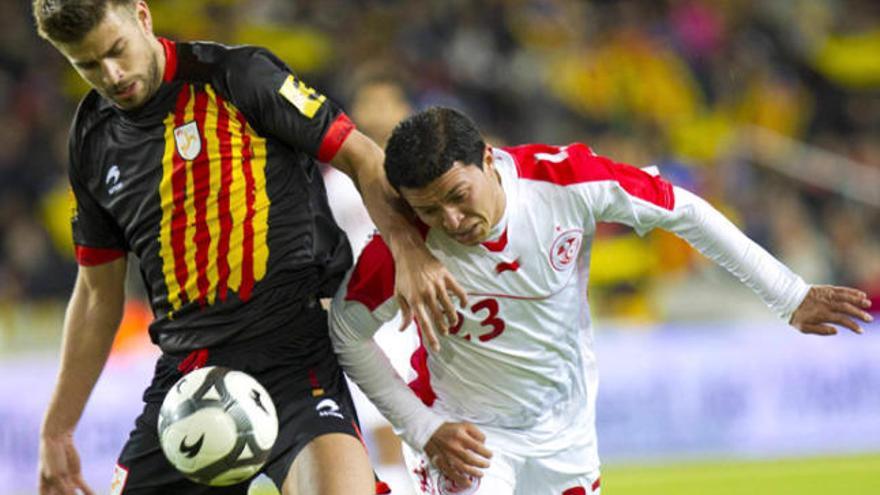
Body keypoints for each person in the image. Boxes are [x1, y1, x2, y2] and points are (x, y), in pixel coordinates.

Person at [33, 1, 468, 494]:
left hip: (292, 354)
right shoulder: (91, 138)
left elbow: (361, 156)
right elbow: (96, 292)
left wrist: (409, 254)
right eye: (86, 65)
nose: (111, 75)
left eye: (116, 51)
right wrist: (58, 427)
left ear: (142, 17)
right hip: (187, 378)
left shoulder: (236, 76)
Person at [329, 107, 874, 494]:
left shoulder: (563, 182)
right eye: (429, 210)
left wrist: (789, 295)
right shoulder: (405, 245)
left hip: (566, 430)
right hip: (468, 434)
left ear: (489, 160)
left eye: (458, 197)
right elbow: (346, 332)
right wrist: (421, 428)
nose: (450, 221)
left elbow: (681, 209)